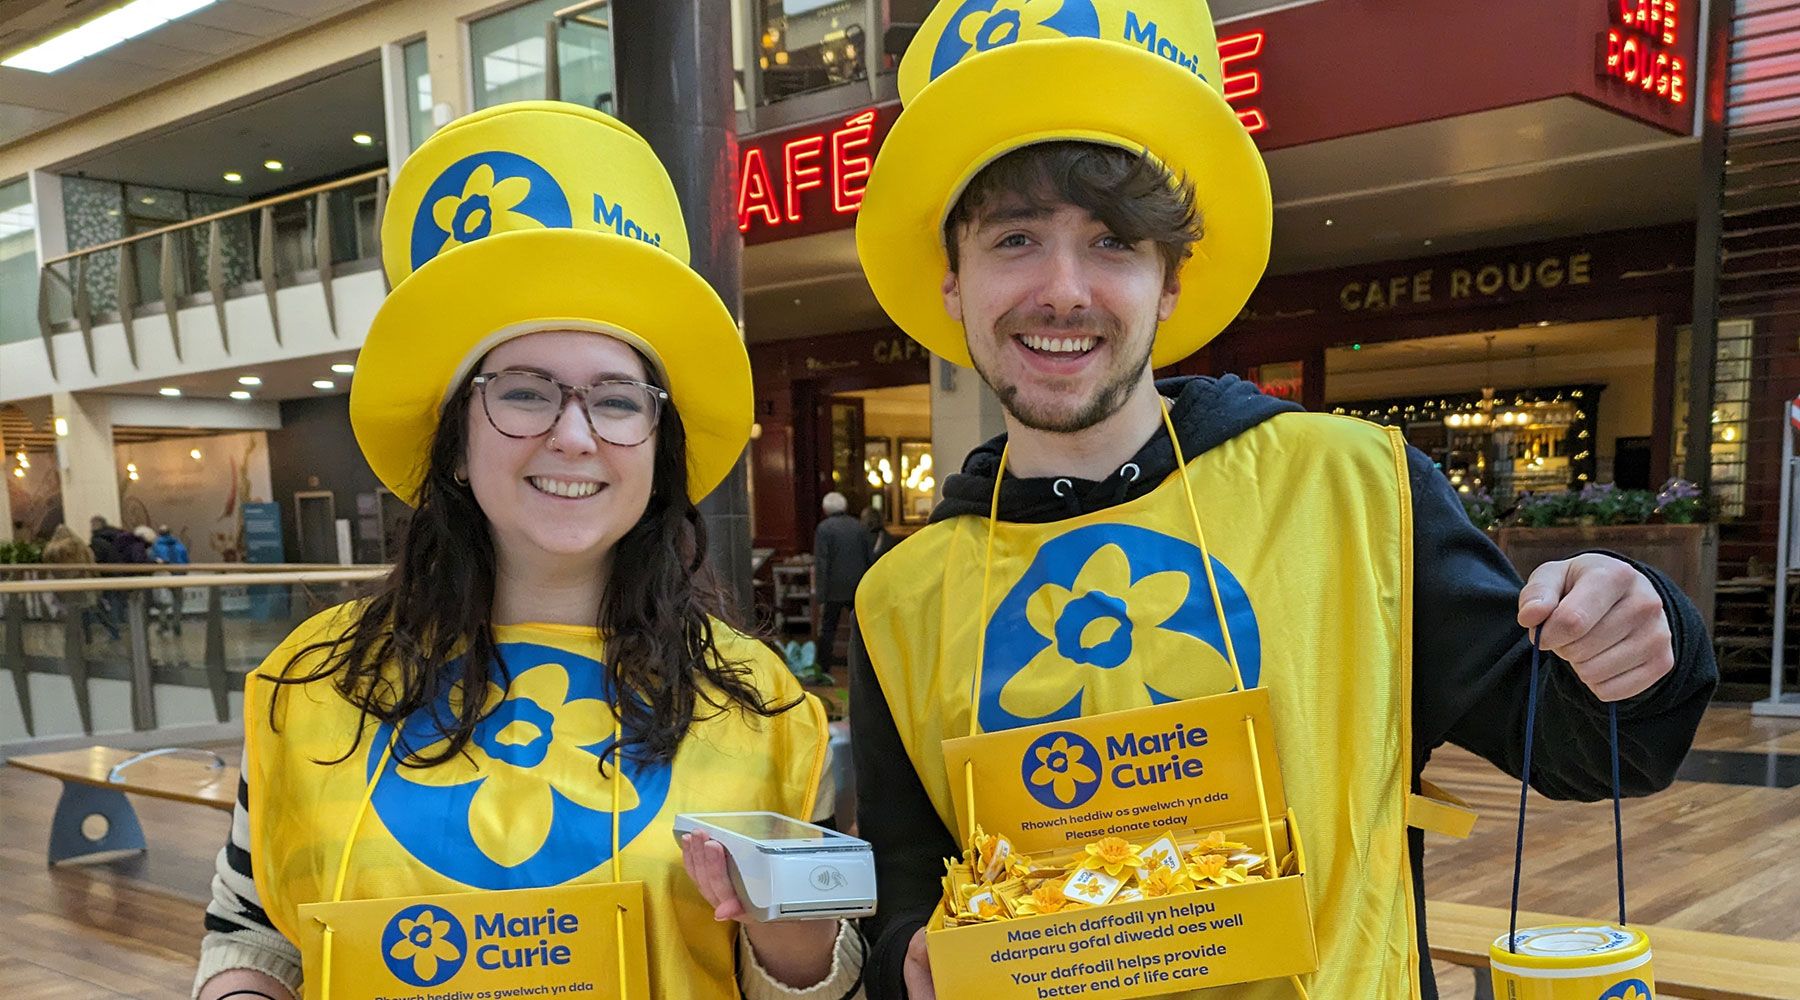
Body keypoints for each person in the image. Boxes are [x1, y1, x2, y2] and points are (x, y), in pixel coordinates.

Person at [846, 4, 1717, 998]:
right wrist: (912, 956)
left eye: (1114, 243)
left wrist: (1634, 637)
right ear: (952, 281)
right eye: (1013, 239)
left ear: (1170, 280)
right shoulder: (901, 599)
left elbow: (1588, 752)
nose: (1062, 289)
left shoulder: (1355, 492)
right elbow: (906, 886)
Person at [193, 102, 863, 1000]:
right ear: (457, 445)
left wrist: (799, 941)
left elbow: (818, 984)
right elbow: (254, 933)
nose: (574, 436)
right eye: (523, 392)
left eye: (618, 400)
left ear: (656, 454)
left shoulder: (765, 708)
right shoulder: (311, 683)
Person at [813, 491, 873, 670]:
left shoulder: (824, 528)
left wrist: (821, 595)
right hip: (858, 585)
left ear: (825, 509)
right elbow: (869, 557)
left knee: (828, 629)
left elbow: (822, 562)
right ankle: (867, 666)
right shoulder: (859, 526)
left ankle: (823, 668)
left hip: (834, 588)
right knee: (862, 629)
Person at [43, 523, 119, 642]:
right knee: (95, 609)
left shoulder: (52, 549)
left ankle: (86, 638)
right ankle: (113, 632)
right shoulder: (80, 546)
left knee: (80, 613)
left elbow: (50, 567)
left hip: (66, 586)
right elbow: (90, 562)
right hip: (85, 581)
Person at [151, 524, 190, 635]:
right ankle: (176, 623)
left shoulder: (156, 545)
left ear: (159, 533)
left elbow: (152, 559)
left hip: (163, 574)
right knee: (178, 600)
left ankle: (163, 624)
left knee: (162, 600)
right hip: (178, 573)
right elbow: (186, 560)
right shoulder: (180, 545)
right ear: (170, 533)